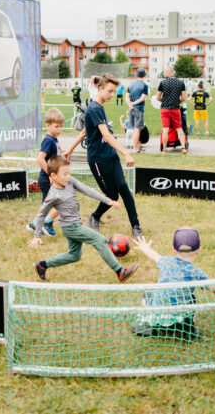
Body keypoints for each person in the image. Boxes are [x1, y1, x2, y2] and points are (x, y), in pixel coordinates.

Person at [29, 156, 139, 283]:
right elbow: (42, 214)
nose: (68, 176)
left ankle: (42, 265)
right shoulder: (53, 195)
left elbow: (86, 190)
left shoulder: (69, 181)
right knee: (100, 240)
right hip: (71, 227)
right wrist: (37, 235)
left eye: (69, 173)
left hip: (74, 224)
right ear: (53, 175)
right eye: (64, 174)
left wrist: (108, 201)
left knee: (74, 255)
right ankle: (120, 272)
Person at [65, 73, 143, 241]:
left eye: (114, 92)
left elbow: (86, 131)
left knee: (123, 187)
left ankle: (136, 226)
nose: (112, 95)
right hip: (98, 160)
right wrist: (126, 153)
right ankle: (95, 216)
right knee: (111, 195)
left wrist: (70, 150)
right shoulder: (94, 108)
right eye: (109, 91)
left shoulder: (99, 107)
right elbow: (106, 136)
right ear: (100, 89)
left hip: (110, 156)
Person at [131, 229, 215, 337]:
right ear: (199, 250)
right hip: (181, 322)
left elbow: (154, 255)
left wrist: (145, 247)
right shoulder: (196, 273)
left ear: (174, 249)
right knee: (191, 299)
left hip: (158, 317)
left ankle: (150, 324)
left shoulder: (166, 262)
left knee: (148, 293)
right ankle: (189, 331)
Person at [25, 108, 65, 236]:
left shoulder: (54, 139)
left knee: (49, 207)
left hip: (52, 179)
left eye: (61, 126)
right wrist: (50, 175)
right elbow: (40, 159)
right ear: (47, 125)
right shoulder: (48, 140)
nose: (59, 129)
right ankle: (45, 223)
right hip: (47, 179)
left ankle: (36, 225)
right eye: (56, 126)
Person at [156, 67, 188, 154]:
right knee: (179, 129)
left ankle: (164, 149)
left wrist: (165, 101)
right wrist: (177, 102)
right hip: (175, 109)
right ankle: (183, 148)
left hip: (165, 109)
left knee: (165, 129)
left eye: (165, 72)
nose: (164, 74)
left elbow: (157, 97)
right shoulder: (181, 83)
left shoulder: (162, 83)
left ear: (169, 72)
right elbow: (184, 97)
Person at [126, 68, 149, 153]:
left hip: (131, 108)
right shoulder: (144, 85)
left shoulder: (131, 84)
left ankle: (136, 146)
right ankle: (135, 148)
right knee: (137, 128)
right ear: (144, 75)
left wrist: (130, 104)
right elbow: (142, 98)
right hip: (138, 108)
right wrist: (134, 103)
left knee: (134, 128)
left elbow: (127, 96)